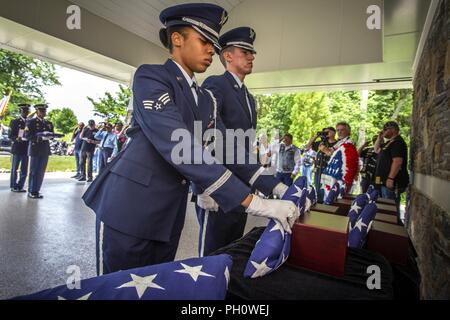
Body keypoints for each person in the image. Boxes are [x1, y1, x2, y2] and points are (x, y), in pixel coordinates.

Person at [82, 3, 298, 275]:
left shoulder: (206, 98)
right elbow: (179, 144)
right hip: (129, 207)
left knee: (154, 287)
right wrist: (256, 203)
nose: (212, 50)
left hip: (168, 214)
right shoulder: (151, 76)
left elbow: (226, 147)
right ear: (177, 39)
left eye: (214, 44)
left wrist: (275, 187)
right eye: (205, 41)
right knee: (115, 290)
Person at [196, 27, 290, 256]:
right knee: (212, 254)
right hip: (219, 186)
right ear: (227, 55)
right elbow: (210, 136)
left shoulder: (248, 97)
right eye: (245, 51)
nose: (251, 56)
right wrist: (204, 188)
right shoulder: (216, 84)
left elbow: (245, 145)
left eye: (252, 52)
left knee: (232, 249)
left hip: (242, 187)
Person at [374, 121, 409, 223]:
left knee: (390, 209)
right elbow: (376, 150)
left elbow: (397, 162)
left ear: (393, 129)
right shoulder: (389, 143)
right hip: (383, 181)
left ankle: (393, 228)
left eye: (385, 129)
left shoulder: (398, 142)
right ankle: (387, 225)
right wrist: (379, 138)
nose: (383, 132)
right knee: (385, 207)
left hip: (392, 181)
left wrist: (390, 178)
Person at [319, 122, 359, 197]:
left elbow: (345, 159)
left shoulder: (349, 143)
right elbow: (332, 151)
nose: (339, 132)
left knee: (339, 198)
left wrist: (325, 150)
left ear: (348, 131)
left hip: (342, 177)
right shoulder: (340, 142)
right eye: (338, 130)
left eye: (342, 130)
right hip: (335, 175)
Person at [24, 104, 54, 199]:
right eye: (41, 111)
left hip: (45, 149)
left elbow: (52, 134)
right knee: (33, 171)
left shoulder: (48, 123)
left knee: (41, 171)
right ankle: (31, 190)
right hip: (35, 148)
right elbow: (27, 135)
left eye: (44, 111)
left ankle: (37, 190)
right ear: (37, 111)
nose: (43, 113)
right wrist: (38, 138)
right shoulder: (31, 122)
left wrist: (50, 136)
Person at [305, 127, 337, 192]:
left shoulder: (337, 144)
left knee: (326, 190)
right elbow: (307, 147)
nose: (325, 134)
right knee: (317, 189)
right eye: (324, 132)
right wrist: (316, 136)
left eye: (327, 132)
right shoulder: (321, 143)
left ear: (334, 132)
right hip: (318, 170)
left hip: (329, 170)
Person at [9, 104, 30, 192]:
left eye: (26, 111)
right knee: (15, 168)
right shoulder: (14, 121)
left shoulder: (30, 122)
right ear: (20, 112)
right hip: (17, 148)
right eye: (23, 111)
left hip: (26, 148)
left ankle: (20, 186)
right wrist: (16, 138)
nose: (25, 113)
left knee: (24, 169)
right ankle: (14, 186)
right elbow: (10, 135)